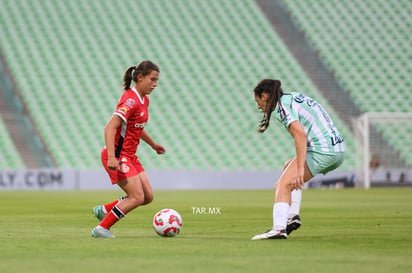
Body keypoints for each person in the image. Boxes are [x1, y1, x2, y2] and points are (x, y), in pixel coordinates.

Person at [251, 79, 346, 240]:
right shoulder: (293, 98)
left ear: (265, 96)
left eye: (258, 100)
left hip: (323, 150)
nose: (258, 105)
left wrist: (301, 168)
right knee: (288, 166)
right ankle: (292, 216)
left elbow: (300, 135)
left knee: (283, 185)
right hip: (338, 149)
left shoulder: (282, 107)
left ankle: (279, 228)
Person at [91, 60, 166, 238]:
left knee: (147, 197)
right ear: (140, 78)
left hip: (130, 156)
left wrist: (153, 145)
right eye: (152, 80)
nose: (155, 84)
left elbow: (136, 127)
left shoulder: (144, 100)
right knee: (137, 197)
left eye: (157, 81)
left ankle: (105, 210)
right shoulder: (130, 100)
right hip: (118, 156)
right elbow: (109, 127)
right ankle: (102, 228)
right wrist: (111, 157)